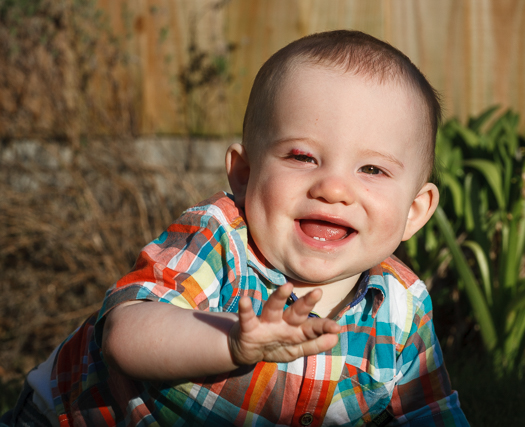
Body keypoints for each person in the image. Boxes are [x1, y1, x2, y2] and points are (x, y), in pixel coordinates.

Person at [1, 30, 469, 426]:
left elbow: (430, 413)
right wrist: (232, 341)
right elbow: (124, 334)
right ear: (244, 175)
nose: (333, 188)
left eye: (372, 170)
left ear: (415, 210)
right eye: (303, 157)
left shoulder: (402, 308)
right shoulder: (220, 237)